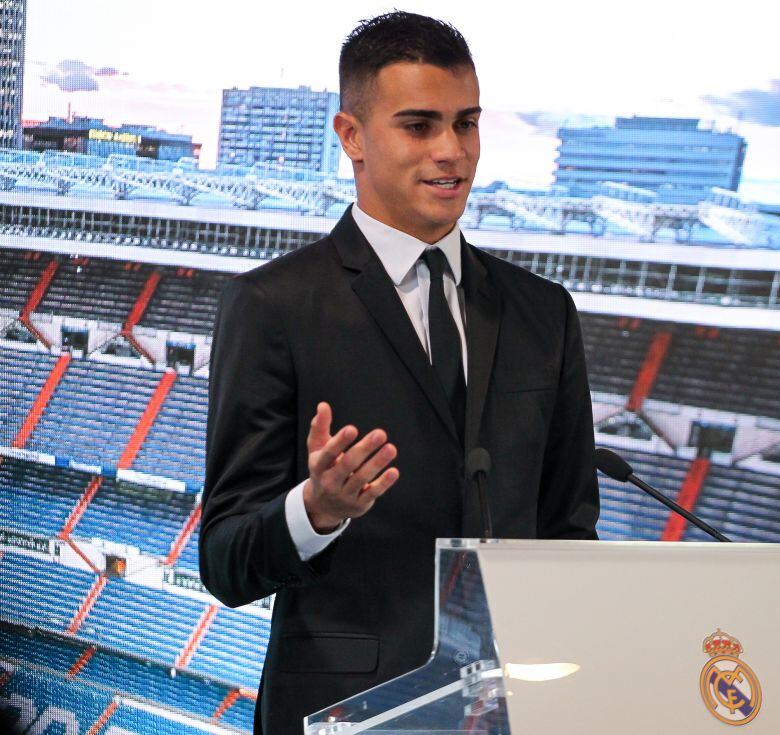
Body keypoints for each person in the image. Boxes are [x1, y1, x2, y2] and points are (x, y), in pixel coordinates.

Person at [199, 11, 600, 734]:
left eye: (466, 123)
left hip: (511, 714)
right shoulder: (272, 306)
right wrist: (315, 510)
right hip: (340, 717)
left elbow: (570, 533)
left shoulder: (544, 312)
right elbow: (225, 561)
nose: (453, 152)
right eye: (419, 125)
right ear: (351, 136)